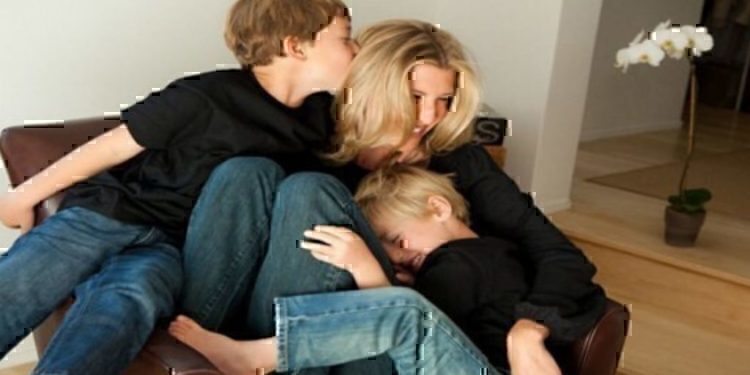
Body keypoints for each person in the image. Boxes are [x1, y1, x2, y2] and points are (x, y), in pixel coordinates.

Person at [178, 19, 605, 375]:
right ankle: (189, 351)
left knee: (311, 189)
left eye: (444, 100)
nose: (430, 117)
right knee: (248, 171)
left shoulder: (460, 161)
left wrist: (529, 329)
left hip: (380, 331)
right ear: (375, 84)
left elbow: (559, 256)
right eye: (416, 97)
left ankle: (260, 359)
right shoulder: (312, 131)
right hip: (298, 305)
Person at [0, 0, 357, 373]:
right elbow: (114, 145)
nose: (356, 50)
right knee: (22, 281)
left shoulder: (320, 124)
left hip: (172, 250)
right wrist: (23, 195)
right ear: (295, 46)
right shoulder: (207, 94)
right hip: (107, 214)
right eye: (346, 38)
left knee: (129, 299)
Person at [170, 165, 607, 375]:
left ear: (438, 208)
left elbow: (411, 327)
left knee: (404, 313)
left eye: (398, 240)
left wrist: (367, 268)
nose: (398, 255)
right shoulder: (497, 255)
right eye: (389, 253)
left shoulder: (458, 263)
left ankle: (260, 355)